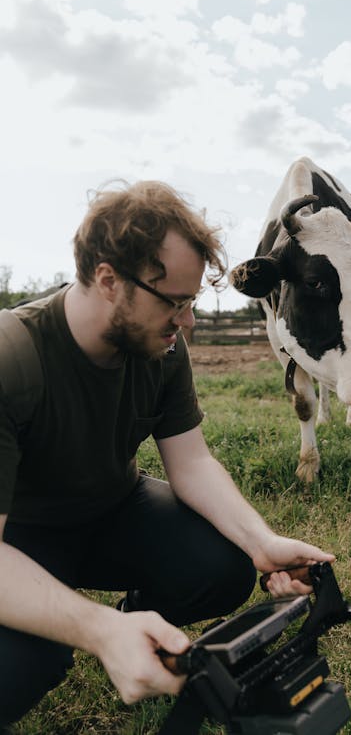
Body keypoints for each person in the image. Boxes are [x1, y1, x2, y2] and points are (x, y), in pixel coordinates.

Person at [0, 180, 334, 727]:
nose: (188, 321)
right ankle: (103, 630)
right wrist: (95, 631)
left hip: (112, 509)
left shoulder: (161, 345)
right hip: (21, 538)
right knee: (21, 670)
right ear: (108, 280)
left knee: (222, 563)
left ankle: (136, 621)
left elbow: (193, 462)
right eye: (176, 302)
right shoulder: (11, 356)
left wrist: (262, 541)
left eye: (193, 301)